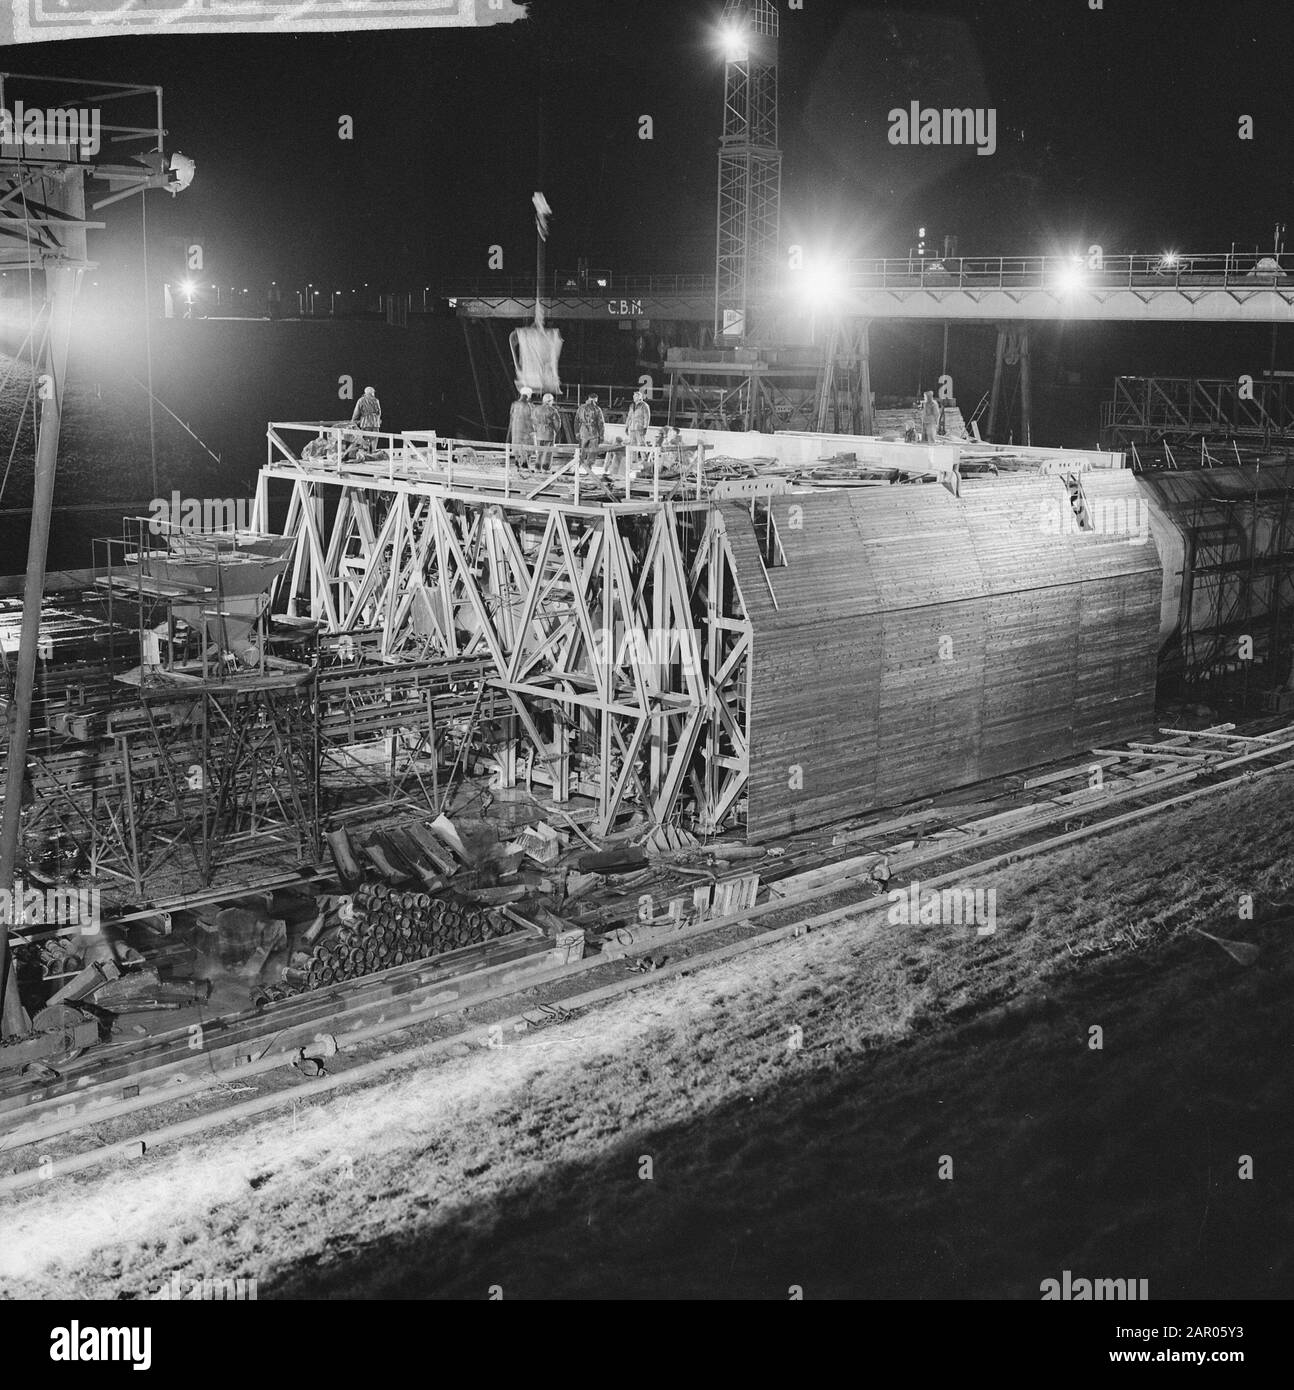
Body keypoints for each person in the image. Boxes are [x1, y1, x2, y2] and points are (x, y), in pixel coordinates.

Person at [533, 392, 562, 471]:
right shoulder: (553, 410)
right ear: (549, 401)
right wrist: (555, 431)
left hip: (539, 434)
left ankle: (537, 468)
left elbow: (533, 421)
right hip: (549, 433)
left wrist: (537, 430)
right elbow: (557, 423)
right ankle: (545, 468)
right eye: (552, 400)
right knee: (548, 452)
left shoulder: (536, 409)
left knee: (539, 452)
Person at [575, 394, 605, 471]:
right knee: (593, 451)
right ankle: (589, 469)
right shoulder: (597, 409)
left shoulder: (581, 408)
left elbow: (576, 421)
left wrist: (577, 432)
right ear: (596, 400)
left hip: (583, 431)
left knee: (581, 451)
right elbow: (601, 423)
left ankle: (575, 468)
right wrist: (601, 436)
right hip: (594, 432)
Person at [625, 390, 651, 473]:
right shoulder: (632, 406)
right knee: (632, 445)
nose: (633, 397)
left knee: (641, 444)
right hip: (632, 428)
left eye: (635, 396)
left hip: (639, 428)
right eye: (633, 396)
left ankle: (645, 462)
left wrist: (645, 427)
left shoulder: (644, 406)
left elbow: (647, 417)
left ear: (639, 397)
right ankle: (633, 463)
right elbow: (629, 416)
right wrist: (627, 426)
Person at [509, 386, 536, 466]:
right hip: (526, 432)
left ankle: (517, 461)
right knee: (526, 447)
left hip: (516, 431)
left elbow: (511, 418)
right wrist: (534, 430)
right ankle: (524, 463)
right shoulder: (530, 406)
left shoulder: (514, 405)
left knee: (517, 446)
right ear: (528, 395)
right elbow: (532, 420)